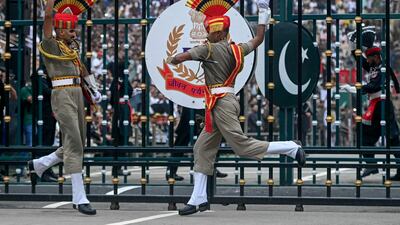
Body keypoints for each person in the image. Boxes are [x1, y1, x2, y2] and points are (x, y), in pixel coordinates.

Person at [167, 0, 306, 215]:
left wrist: (173, 59)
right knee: (201, 148)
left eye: (210, 31)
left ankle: (291, 148)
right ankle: (198, 199)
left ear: (218, 33)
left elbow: (183, 56)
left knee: (242, 146)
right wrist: (263, 15)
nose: (207, 34)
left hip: (219, 103)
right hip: (224, 101)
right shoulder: (236, 49)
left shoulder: (208, 49)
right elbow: (259, 39)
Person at [27, 0, 100, 215]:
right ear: (59, 30)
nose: (74, 32)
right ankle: (79, 197)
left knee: (77, 140)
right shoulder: (50, 44)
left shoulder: (71, 48)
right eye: (69, 29)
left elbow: (81, 67)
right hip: (62, 93)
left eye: (74, 28)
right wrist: (50, 4)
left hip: (77, 93)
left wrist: (93, 88)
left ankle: (40, 164)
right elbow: (48, 17)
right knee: (75, 142)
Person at [345, 26, 400, 180]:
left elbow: (375, 85)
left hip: (382, 105)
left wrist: (357, 88)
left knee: (392, 138)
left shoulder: (382, 68)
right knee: (366, 134)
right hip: (375, 105)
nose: (367, 61)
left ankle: (373, 165)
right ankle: (371, 164)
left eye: (369, 58)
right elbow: (359, 59)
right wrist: (352, 45)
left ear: (375, 56)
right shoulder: (374, 66)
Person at [166, 107, 228, 181]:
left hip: (203, 106)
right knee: (182, 140)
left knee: (210, 140)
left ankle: (212, 168)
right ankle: (171, 171)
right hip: (192, 105)